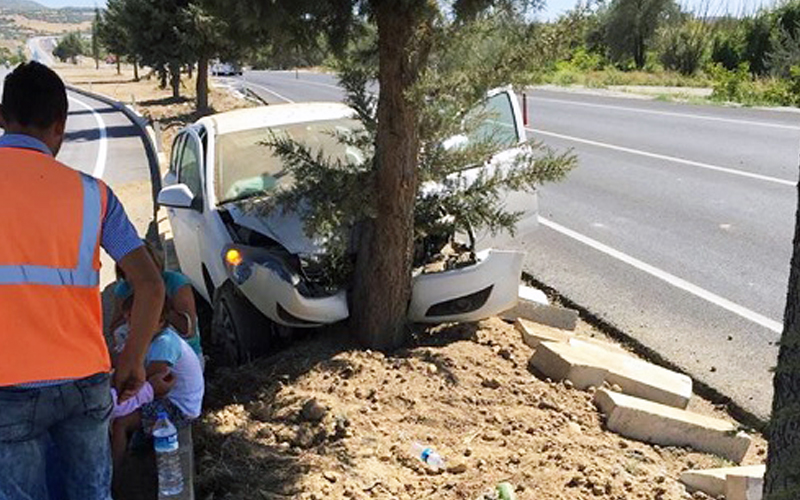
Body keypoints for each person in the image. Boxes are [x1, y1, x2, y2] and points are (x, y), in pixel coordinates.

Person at [0, 61, 165, 500]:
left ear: (2, 117)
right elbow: (150, 284)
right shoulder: (96, 195)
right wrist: (132, 359)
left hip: (7, 388)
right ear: (61, 124)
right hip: (84, 382)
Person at [111, 297, 204, 467]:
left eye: (137, 317)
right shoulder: (151, 338)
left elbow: (151, 380)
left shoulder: (164, 343)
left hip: (179, 406)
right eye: (128, 318)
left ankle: (115, 472)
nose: (131, 323)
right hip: (166, 397)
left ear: (159, 321)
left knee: (119, 423)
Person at [109, 240, 204, 362]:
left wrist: (154, 304)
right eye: (132, 273)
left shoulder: (175, 282)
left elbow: (188, 330)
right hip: (142, 354)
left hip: (179, 355)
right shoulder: (124, 289)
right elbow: (115, 328)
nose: (139, 278)